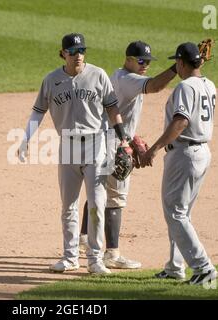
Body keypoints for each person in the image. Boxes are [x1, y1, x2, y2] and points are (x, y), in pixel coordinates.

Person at [18, 33, 130, 274]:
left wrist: (123, 140)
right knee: (68, 206)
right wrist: (26, 137)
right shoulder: (51, 80)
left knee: (97, 205)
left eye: (81, 51)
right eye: (73, 51)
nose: (78, 55)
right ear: (63, 53)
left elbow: (112, 109)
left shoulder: (98, 75)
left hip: (96, 145)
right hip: (67, 145)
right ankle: (70, 257)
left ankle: (95, 259)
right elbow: (39, 111)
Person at [79, 41, 177, 269]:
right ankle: (112, 253)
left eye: (149, 62)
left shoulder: (118, 75)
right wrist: (176, 68)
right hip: (115, 144)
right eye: (141, 61)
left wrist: (132, 137)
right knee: (116, 198)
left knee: (99, 190)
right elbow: (154, 86)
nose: (145, 66)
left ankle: (83, 238)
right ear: (129, 58)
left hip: (105, 138)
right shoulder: (129, 80)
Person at [141, 42, 218, 285]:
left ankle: (203, 268)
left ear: (181, 63)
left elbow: (181, 122)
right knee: (181, 212)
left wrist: (153, 149)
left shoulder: (185, 87)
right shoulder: (209, 84)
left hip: (185, 154)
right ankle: (175, 266)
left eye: (177, 62)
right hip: (201, 152)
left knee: (175, 213)